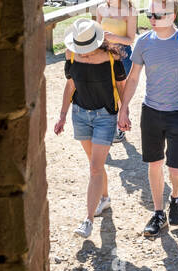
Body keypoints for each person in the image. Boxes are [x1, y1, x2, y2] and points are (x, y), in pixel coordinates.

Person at [117, 0, 178, 237]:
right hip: (151, 112)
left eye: (158, 14)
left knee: (175, 169)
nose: (152, 18)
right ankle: (158, 213)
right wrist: (123, 109)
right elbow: (133, 78)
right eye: (149, 13)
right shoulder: (144, 42)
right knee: (154, 163)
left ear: (173, 15)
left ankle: (176, 196)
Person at [54, 17, 128, 238]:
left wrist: (124, 112)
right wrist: (62, 115)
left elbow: (122, 87)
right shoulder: (71, 55)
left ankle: (87, 220)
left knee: (95, 168)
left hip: (105, 116)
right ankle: (104, 199)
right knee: (95, 164)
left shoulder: (112, 57)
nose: (82, 52)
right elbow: (70, 85)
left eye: (86, 48)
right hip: (80, 114)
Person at [96, 0, 137, 140]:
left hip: (123, 55)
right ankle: (107, 124)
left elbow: (130, 39)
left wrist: (114, 37)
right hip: (104, 54)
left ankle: (121, 124)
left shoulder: (130, 11)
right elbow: (96, 31)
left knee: (120, 92)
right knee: (105, 91)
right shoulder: (100, 9)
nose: (108, 0)